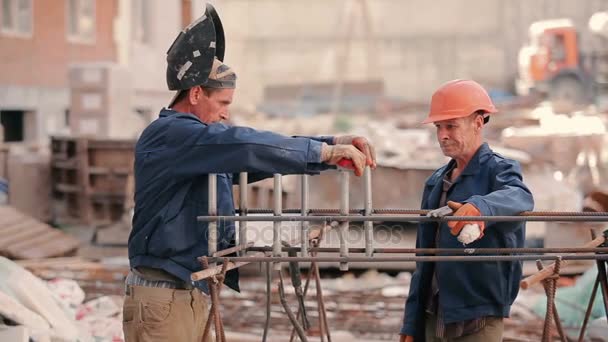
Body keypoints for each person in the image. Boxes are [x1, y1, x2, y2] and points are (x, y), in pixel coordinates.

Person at [122, 9, 376, 342]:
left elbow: (255, 156)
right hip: (163, 295)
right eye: (223, 102)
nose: (226, 112)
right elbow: (243, 143)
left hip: (188, 291)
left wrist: (331, 147)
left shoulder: (201, 146)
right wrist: (323, 152)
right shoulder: (171, 134)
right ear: (196, 94)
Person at [399, 80, 534, 342]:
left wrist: (479, 207)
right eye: (439, 127)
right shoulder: (436, 182)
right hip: (433, 315)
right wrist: (411, 322)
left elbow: (520, 197)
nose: (442, 135)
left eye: (451, 126)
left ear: (478, 122)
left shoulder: (500, 170)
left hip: (478, 316)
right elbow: (423, 261)